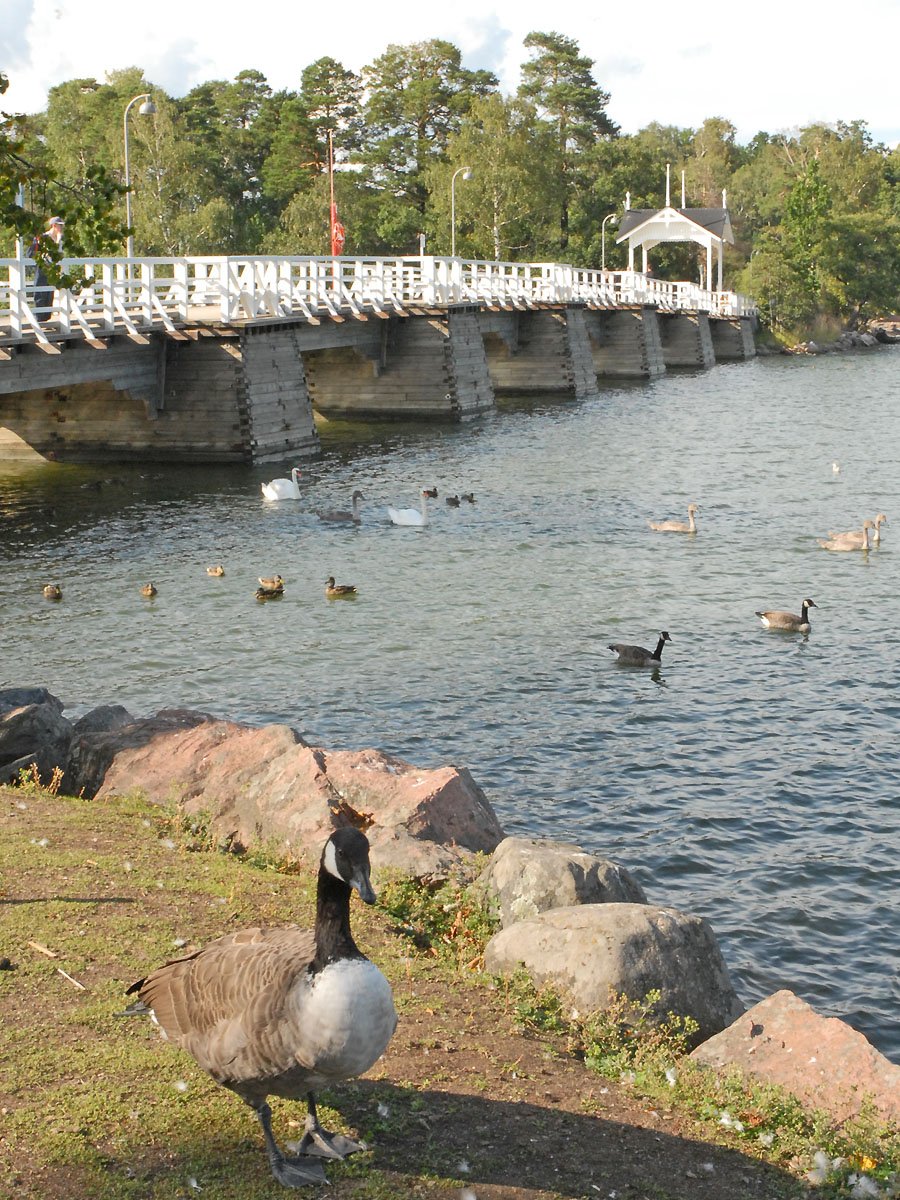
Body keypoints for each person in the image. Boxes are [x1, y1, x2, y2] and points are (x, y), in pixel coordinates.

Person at [27, 215, 64, 324]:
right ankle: (38, 318)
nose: (61, 228)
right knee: (40, 290)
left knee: (49, 293)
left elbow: (58, 254)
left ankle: (46, 318)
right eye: (59, 225)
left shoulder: (59, 238)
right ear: (54, 225)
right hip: (43, 266)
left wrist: (58, 240)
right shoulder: (43, 237)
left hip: (52, 268)